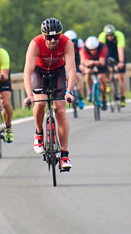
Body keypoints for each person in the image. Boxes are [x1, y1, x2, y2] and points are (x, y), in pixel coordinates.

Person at [23, 17, 77, 170]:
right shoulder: (35, 44)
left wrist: (69, 91)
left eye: (56, 37)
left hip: (57, 72)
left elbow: (71, 69)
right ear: (43, 36)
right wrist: (29, 95)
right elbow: (27, 72)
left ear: (60, 35)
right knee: (39, 104)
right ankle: (39, 134)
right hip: (39, 72)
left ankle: (65, 155)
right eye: (49, 37)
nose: (53, 40)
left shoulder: (66, 43)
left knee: (60, 110)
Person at [98, 24, 126, 108]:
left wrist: (121, 62)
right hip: (107, 54)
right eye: (108, 36)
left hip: (118, 55)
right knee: (106, 70)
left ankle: (122, 97)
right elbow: (101, 50)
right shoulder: (102, 36)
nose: (110, 37)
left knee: (121, 77)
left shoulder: (119, 35)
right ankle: (107, 82)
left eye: (112, 35)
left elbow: (120, 49)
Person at [80, 36, 109, 110]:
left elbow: (102, 62)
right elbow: (85, 62)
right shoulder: (84, 48)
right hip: (90, 60)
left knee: (101, 78)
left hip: (100, 61)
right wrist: (90, 62)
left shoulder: (102, 47)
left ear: (97, 47)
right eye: (91, 50)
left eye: (95, 49)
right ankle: (90, 92)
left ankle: (104, 98)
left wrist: (93, 62)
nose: (93, 51)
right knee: (87, 73)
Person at [64, 30, 85, 109]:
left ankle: (81, 98)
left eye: (74, 41)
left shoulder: (79, 43)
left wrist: (82, 64)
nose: (72, 43)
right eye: (70, 41)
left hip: (77, 63)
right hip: (68, 63)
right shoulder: (63, 46)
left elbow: (82, 55)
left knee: (79, 78)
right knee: (67, 77)